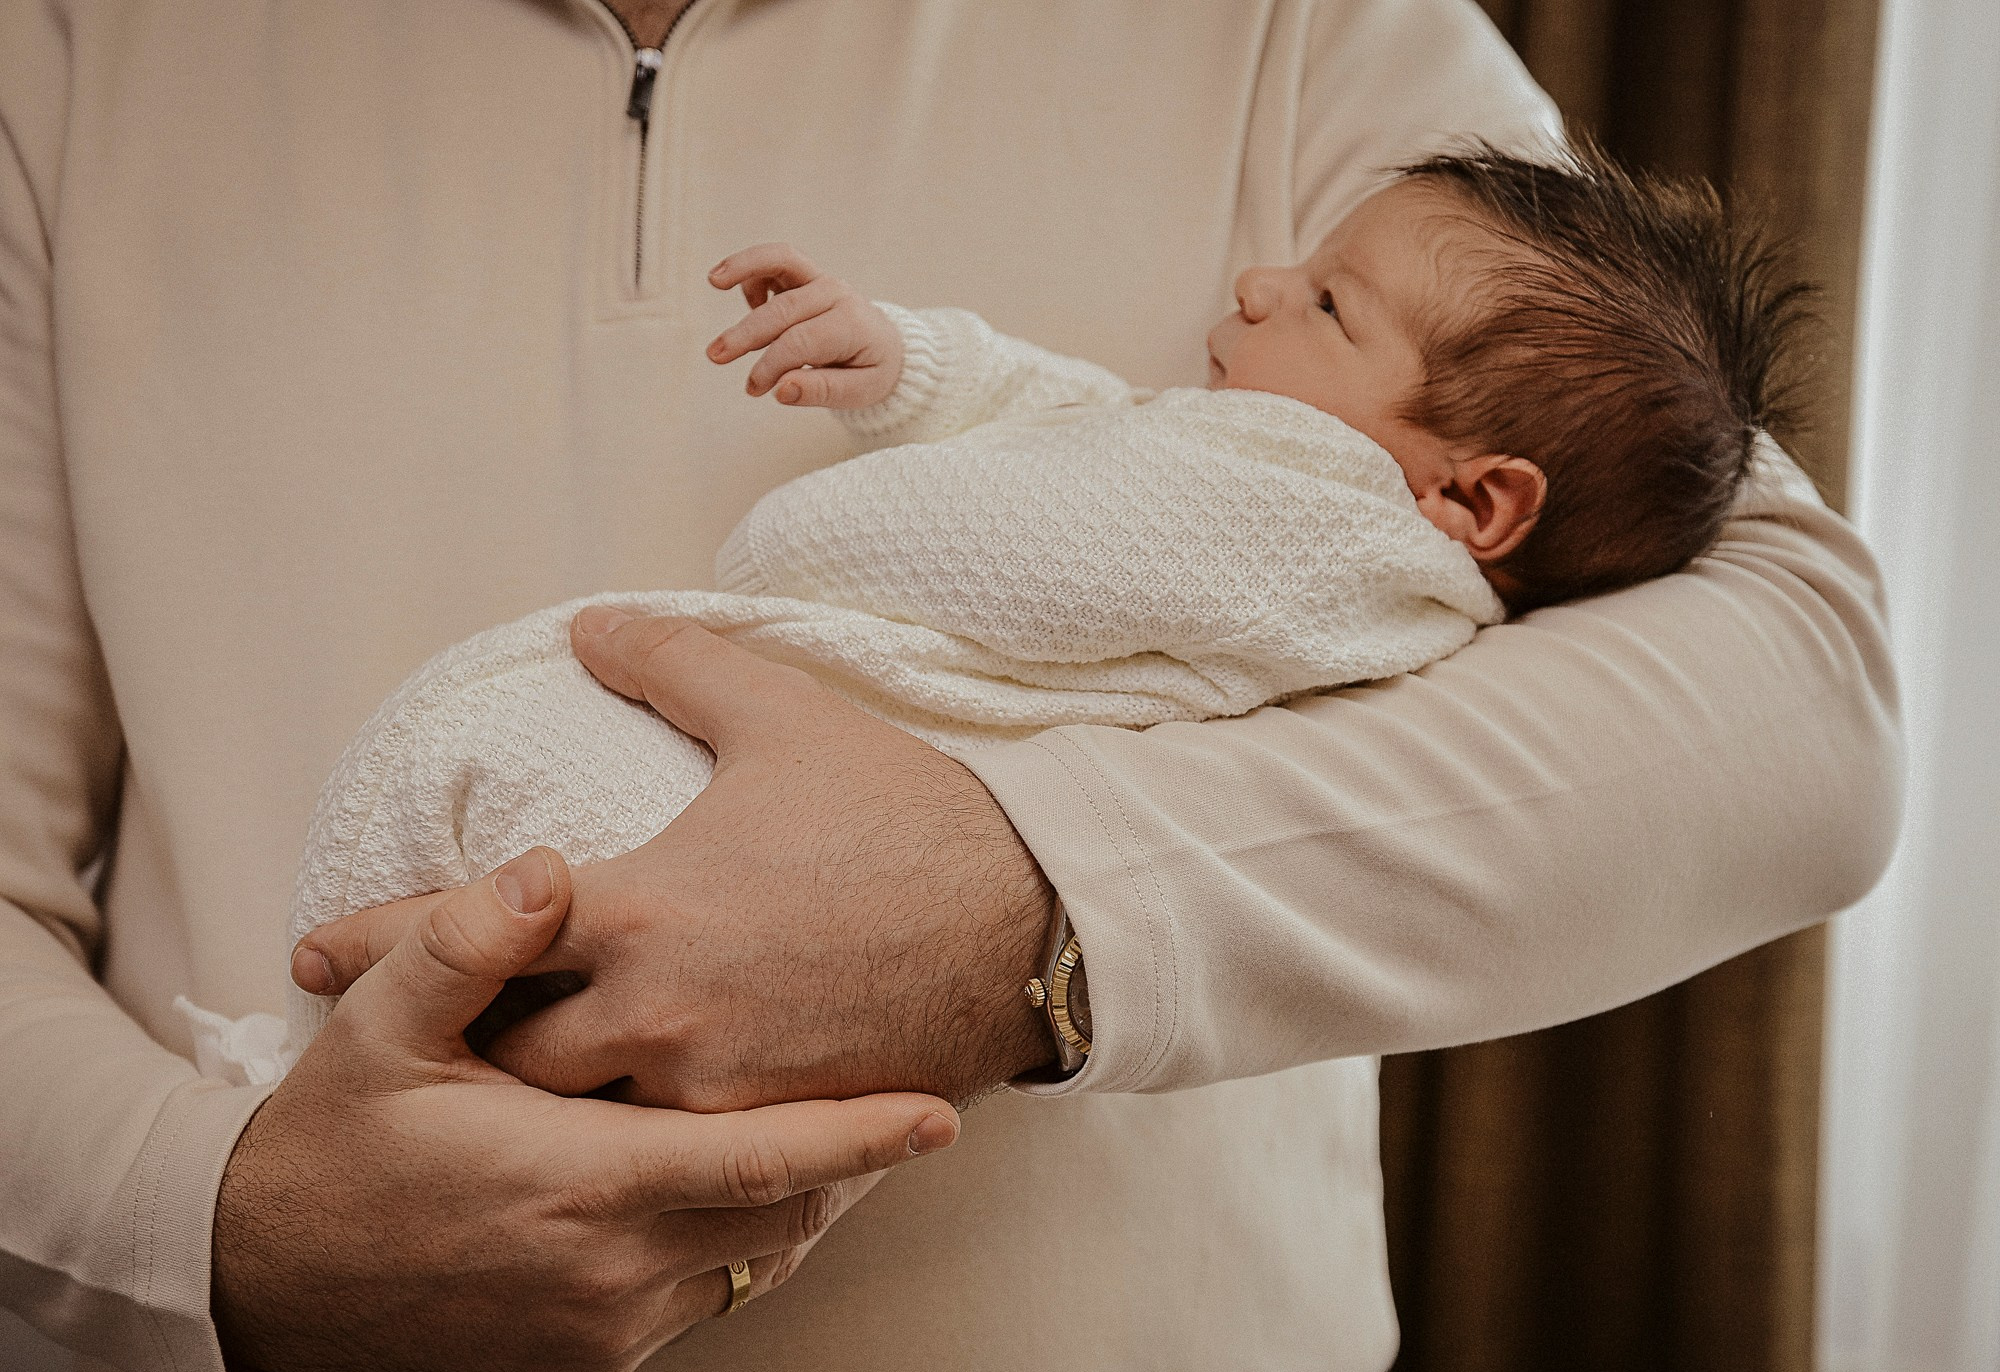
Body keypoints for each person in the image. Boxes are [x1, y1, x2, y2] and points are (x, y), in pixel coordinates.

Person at [0, 4, 1899, 1372]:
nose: (1262, 303)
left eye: (1312, 300)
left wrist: (1023, 901)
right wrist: (220, 1231)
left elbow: (1803, 699)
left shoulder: (1303, 27)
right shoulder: (71, 48)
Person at [227, 142, 1808, 1092]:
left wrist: (830, 522)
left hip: (841, 778)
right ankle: (332, 1089)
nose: (1260, 284)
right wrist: (916, 365)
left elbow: (1048, 521)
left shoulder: (1324, 525)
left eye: (1329, 303)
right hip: (818, 776)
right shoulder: (1281, 476)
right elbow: (1095, 427)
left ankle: (315, 1088)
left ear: (1476, 503)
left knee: (504, 800)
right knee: (494, 826)